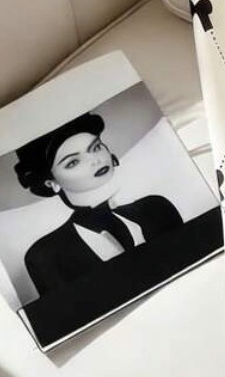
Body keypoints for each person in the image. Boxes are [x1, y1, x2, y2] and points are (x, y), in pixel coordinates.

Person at [13, 111, 182, 296]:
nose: (96, 160)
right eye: (73, 162)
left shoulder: (156, 208)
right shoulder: (46, 256)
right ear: (51, 183)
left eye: (96, 147)